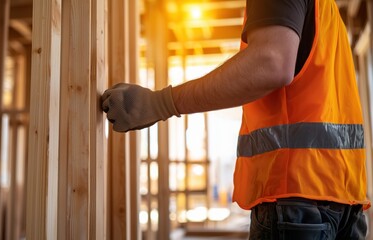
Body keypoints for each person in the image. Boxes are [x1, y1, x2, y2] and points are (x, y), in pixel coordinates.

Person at [101, 0, 370, 238]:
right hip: (341, 198)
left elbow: (271, 62)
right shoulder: (327, 10)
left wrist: (160, 103)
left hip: (297, 199)